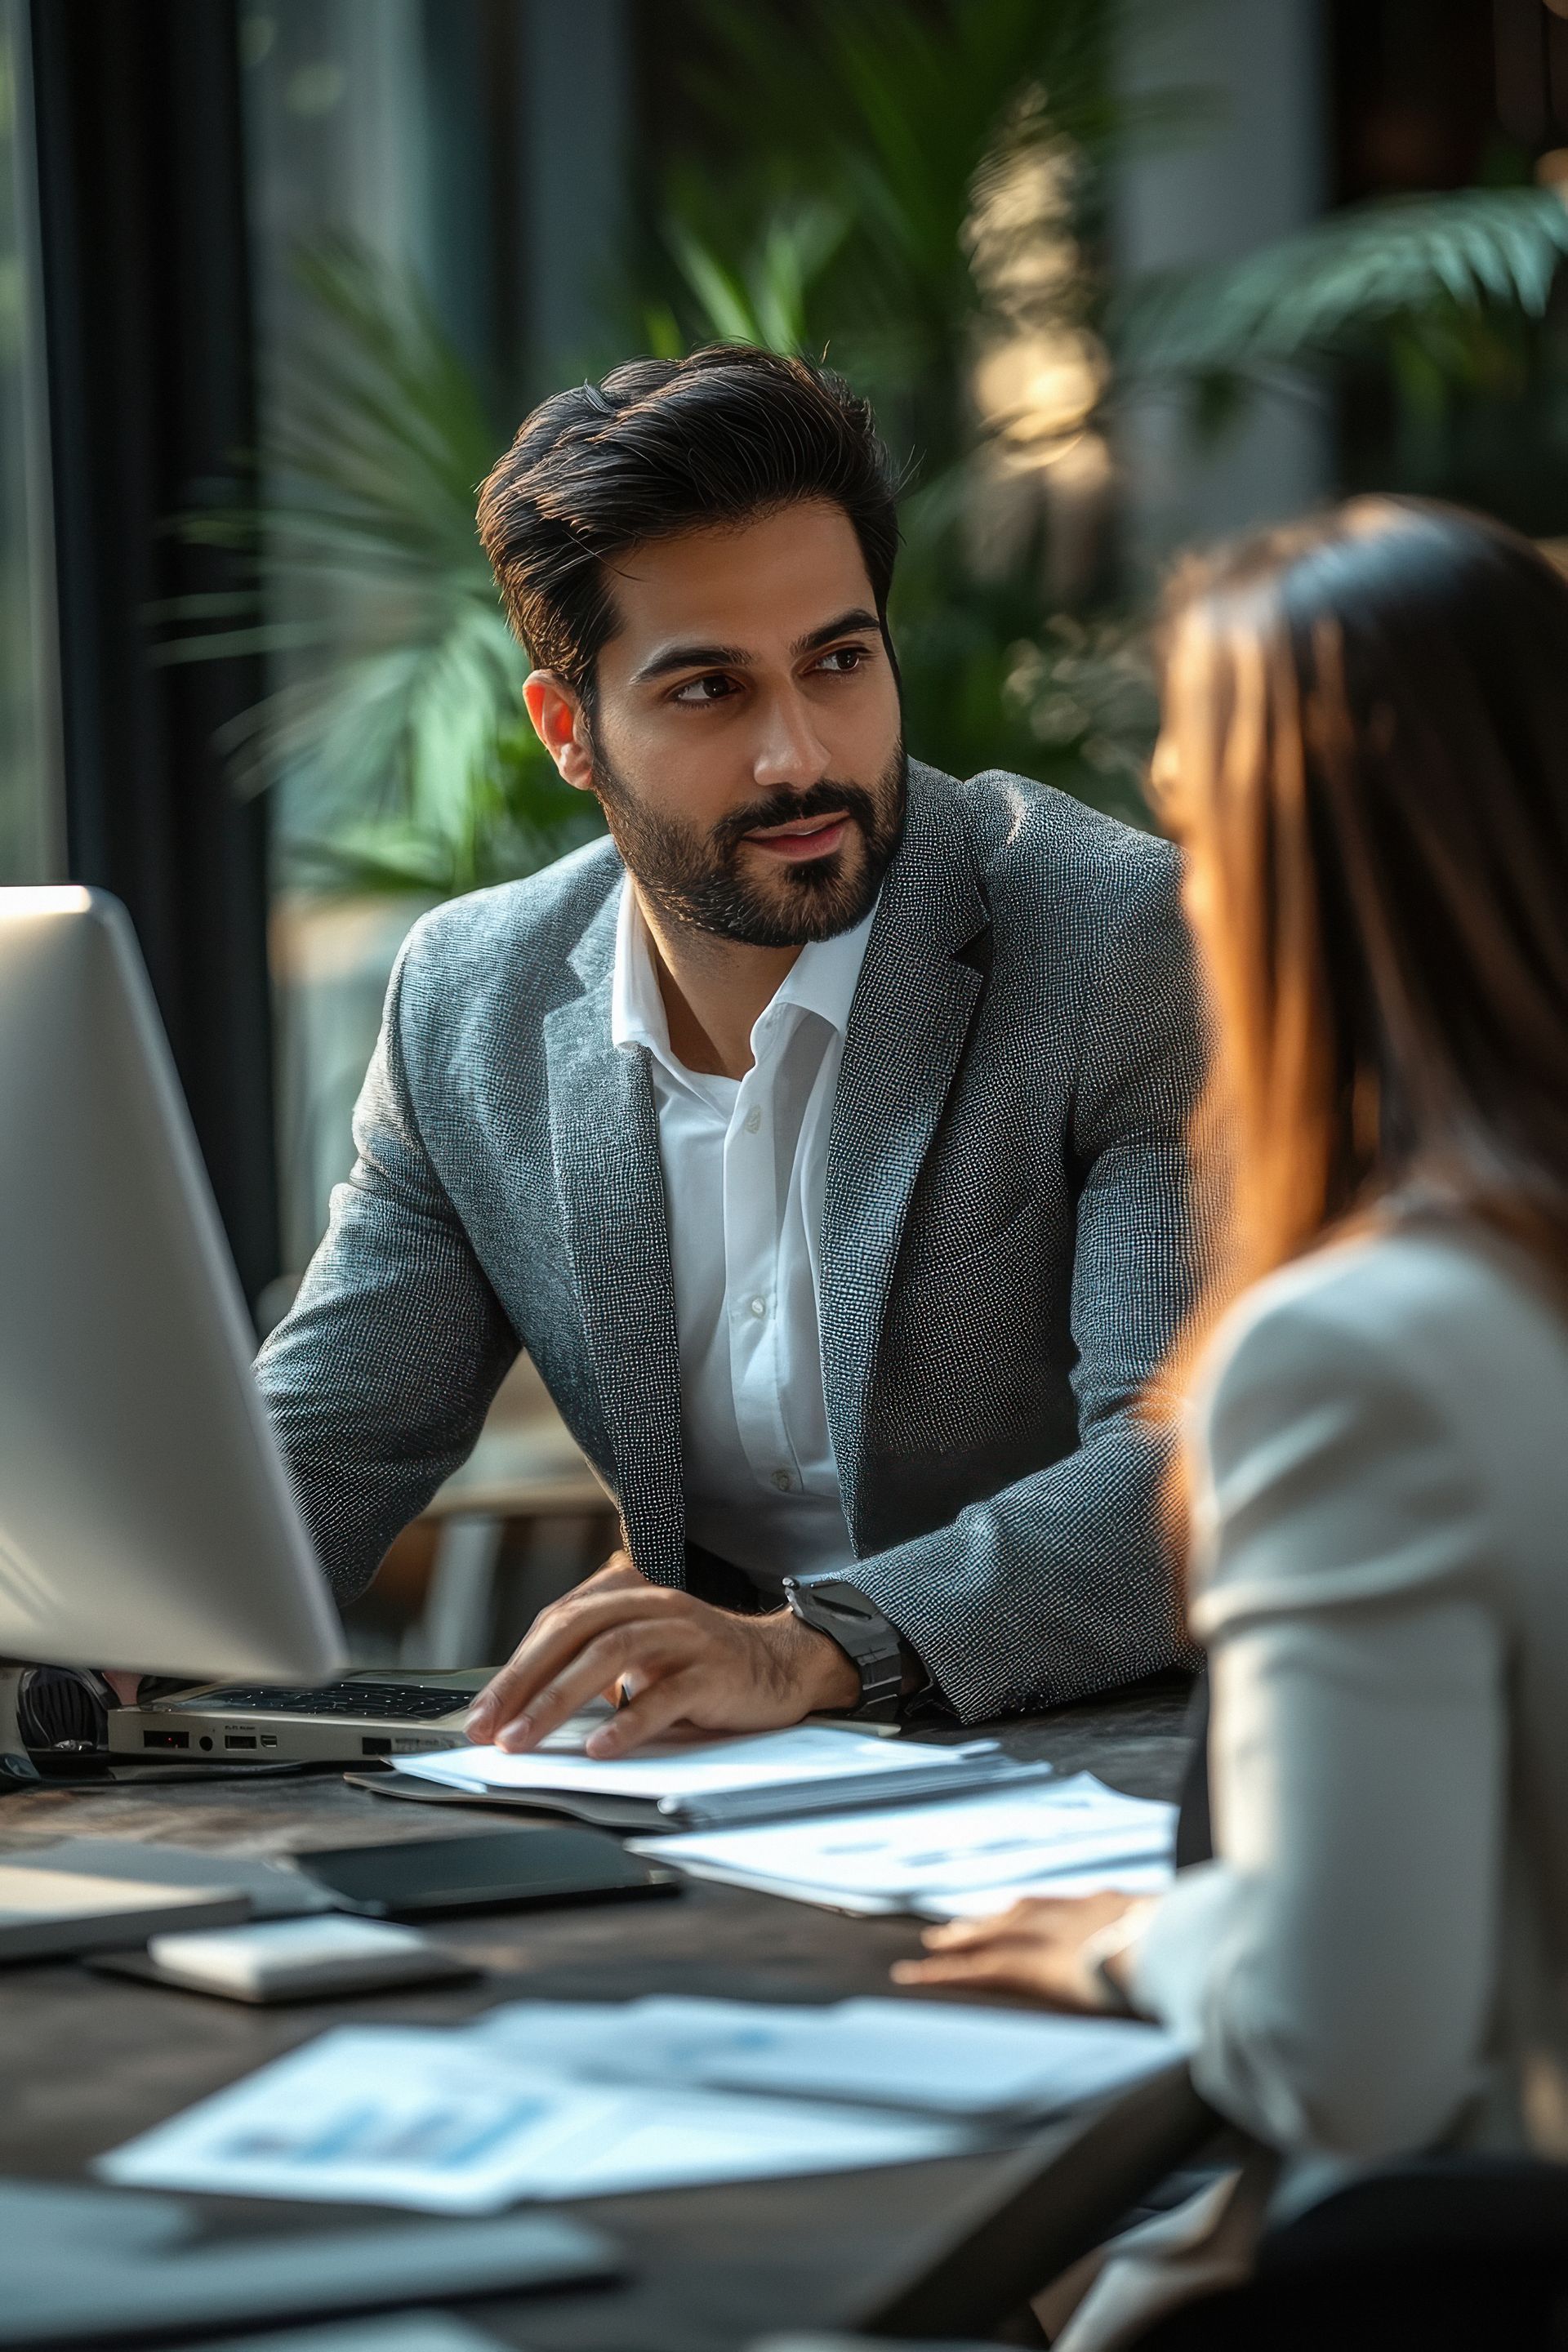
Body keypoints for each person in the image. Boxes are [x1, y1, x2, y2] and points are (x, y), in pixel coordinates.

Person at [257, 344, 1206, 1756]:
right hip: (713, 1778)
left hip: (1099, 1743)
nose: (799, 756)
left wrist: (814, 1647)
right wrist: (114, 1629)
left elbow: (1179, 1472)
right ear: (569, 729)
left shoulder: (1115, 938)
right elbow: (333, 1434)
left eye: (839, 662)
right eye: (709, 691)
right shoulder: (471, 1000)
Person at [897, 497, 1568, 2341]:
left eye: (1199, 834)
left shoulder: (1356, 1355)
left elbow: (1343, 2045)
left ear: (1303, 876)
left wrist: (1133, 1943)